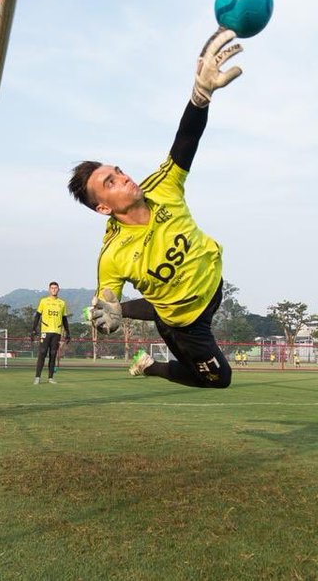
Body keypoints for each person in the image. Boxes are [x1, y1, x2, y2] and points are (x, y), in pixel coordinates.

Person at [67, 28, 243, 389]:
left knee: (163, 300)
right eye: (111, 183)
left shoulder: (162, 186)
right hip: (185, 324)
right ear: (103, 208)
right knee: (217, 379)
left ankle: (153, 323)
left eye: (118, 171)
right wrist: (106, 316)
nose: (124, 178)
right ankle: (149, 366)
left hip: (213, 286)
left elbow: (186, 139)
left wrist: (201, 96)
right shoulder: (113, 254)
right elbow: (104, 303)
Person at [31, 281, 70, 384]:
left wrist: (68, 332)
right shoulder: (43, 301)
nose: (54, 289)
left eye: (55, 288)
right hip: (45, 331)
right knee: (42, 353)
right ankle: (37, 377)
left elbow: (64, 318)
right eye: (52, 288)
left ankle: (50, 378)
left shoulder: (62, 303)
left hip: (56, 332)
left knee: (53, 354)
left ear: (58, 289)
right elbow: (37, 316)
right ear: (49, 289)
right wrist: (34, 329)